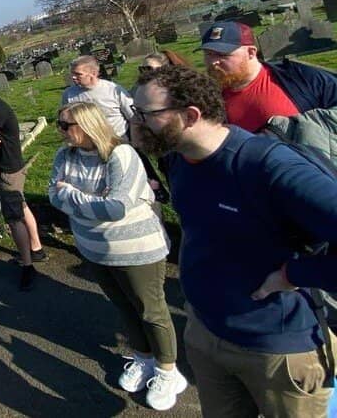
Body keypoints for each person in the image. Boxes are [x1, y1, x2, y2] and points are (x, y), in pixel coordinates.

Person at [133, 64, 337, 417]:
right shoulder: (182, 160)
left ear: (190, 115)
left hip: (277, 349)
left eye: (145, 114)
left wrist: (294, 275)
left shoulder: (269, 166)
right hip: (205, 333)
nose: (134, 122)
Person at [48, 102, 183, 411]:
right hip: (94, 249)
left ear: (86, 125)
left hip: (135, 249)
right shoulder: (63, 156)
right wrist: (83, 201)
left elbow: (116, 208)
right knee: (123, 306)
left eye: (65, 125)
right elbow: (53, 196)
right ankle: (143, 358)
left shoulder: (120, 155)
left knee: (150, 310)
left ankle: (167, 371)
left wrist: (71, 194)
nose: (60, 130)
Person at [0, 75, 45, 290]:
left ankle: (28, 265)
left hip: (7, 169)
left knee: (13, 218)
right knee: (21, 205)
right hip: (8, 167)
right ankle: (37, 248)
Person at [200, 20, 337, 132]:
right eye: (208, 54)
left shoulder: (299, 77)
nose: (213, 62)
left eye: (223, 55)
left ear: (251, 53)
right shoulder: (209, 101)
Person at [62, 55, 135, 138]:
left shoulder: (114, 90)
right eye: (72, 74)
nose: (73, 77)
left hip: (118, 139)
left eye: (78, 74)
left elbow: (133, 117)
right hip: (88, 144)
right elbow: (66, 122)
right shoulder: (68, 94)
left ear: (93, 73)